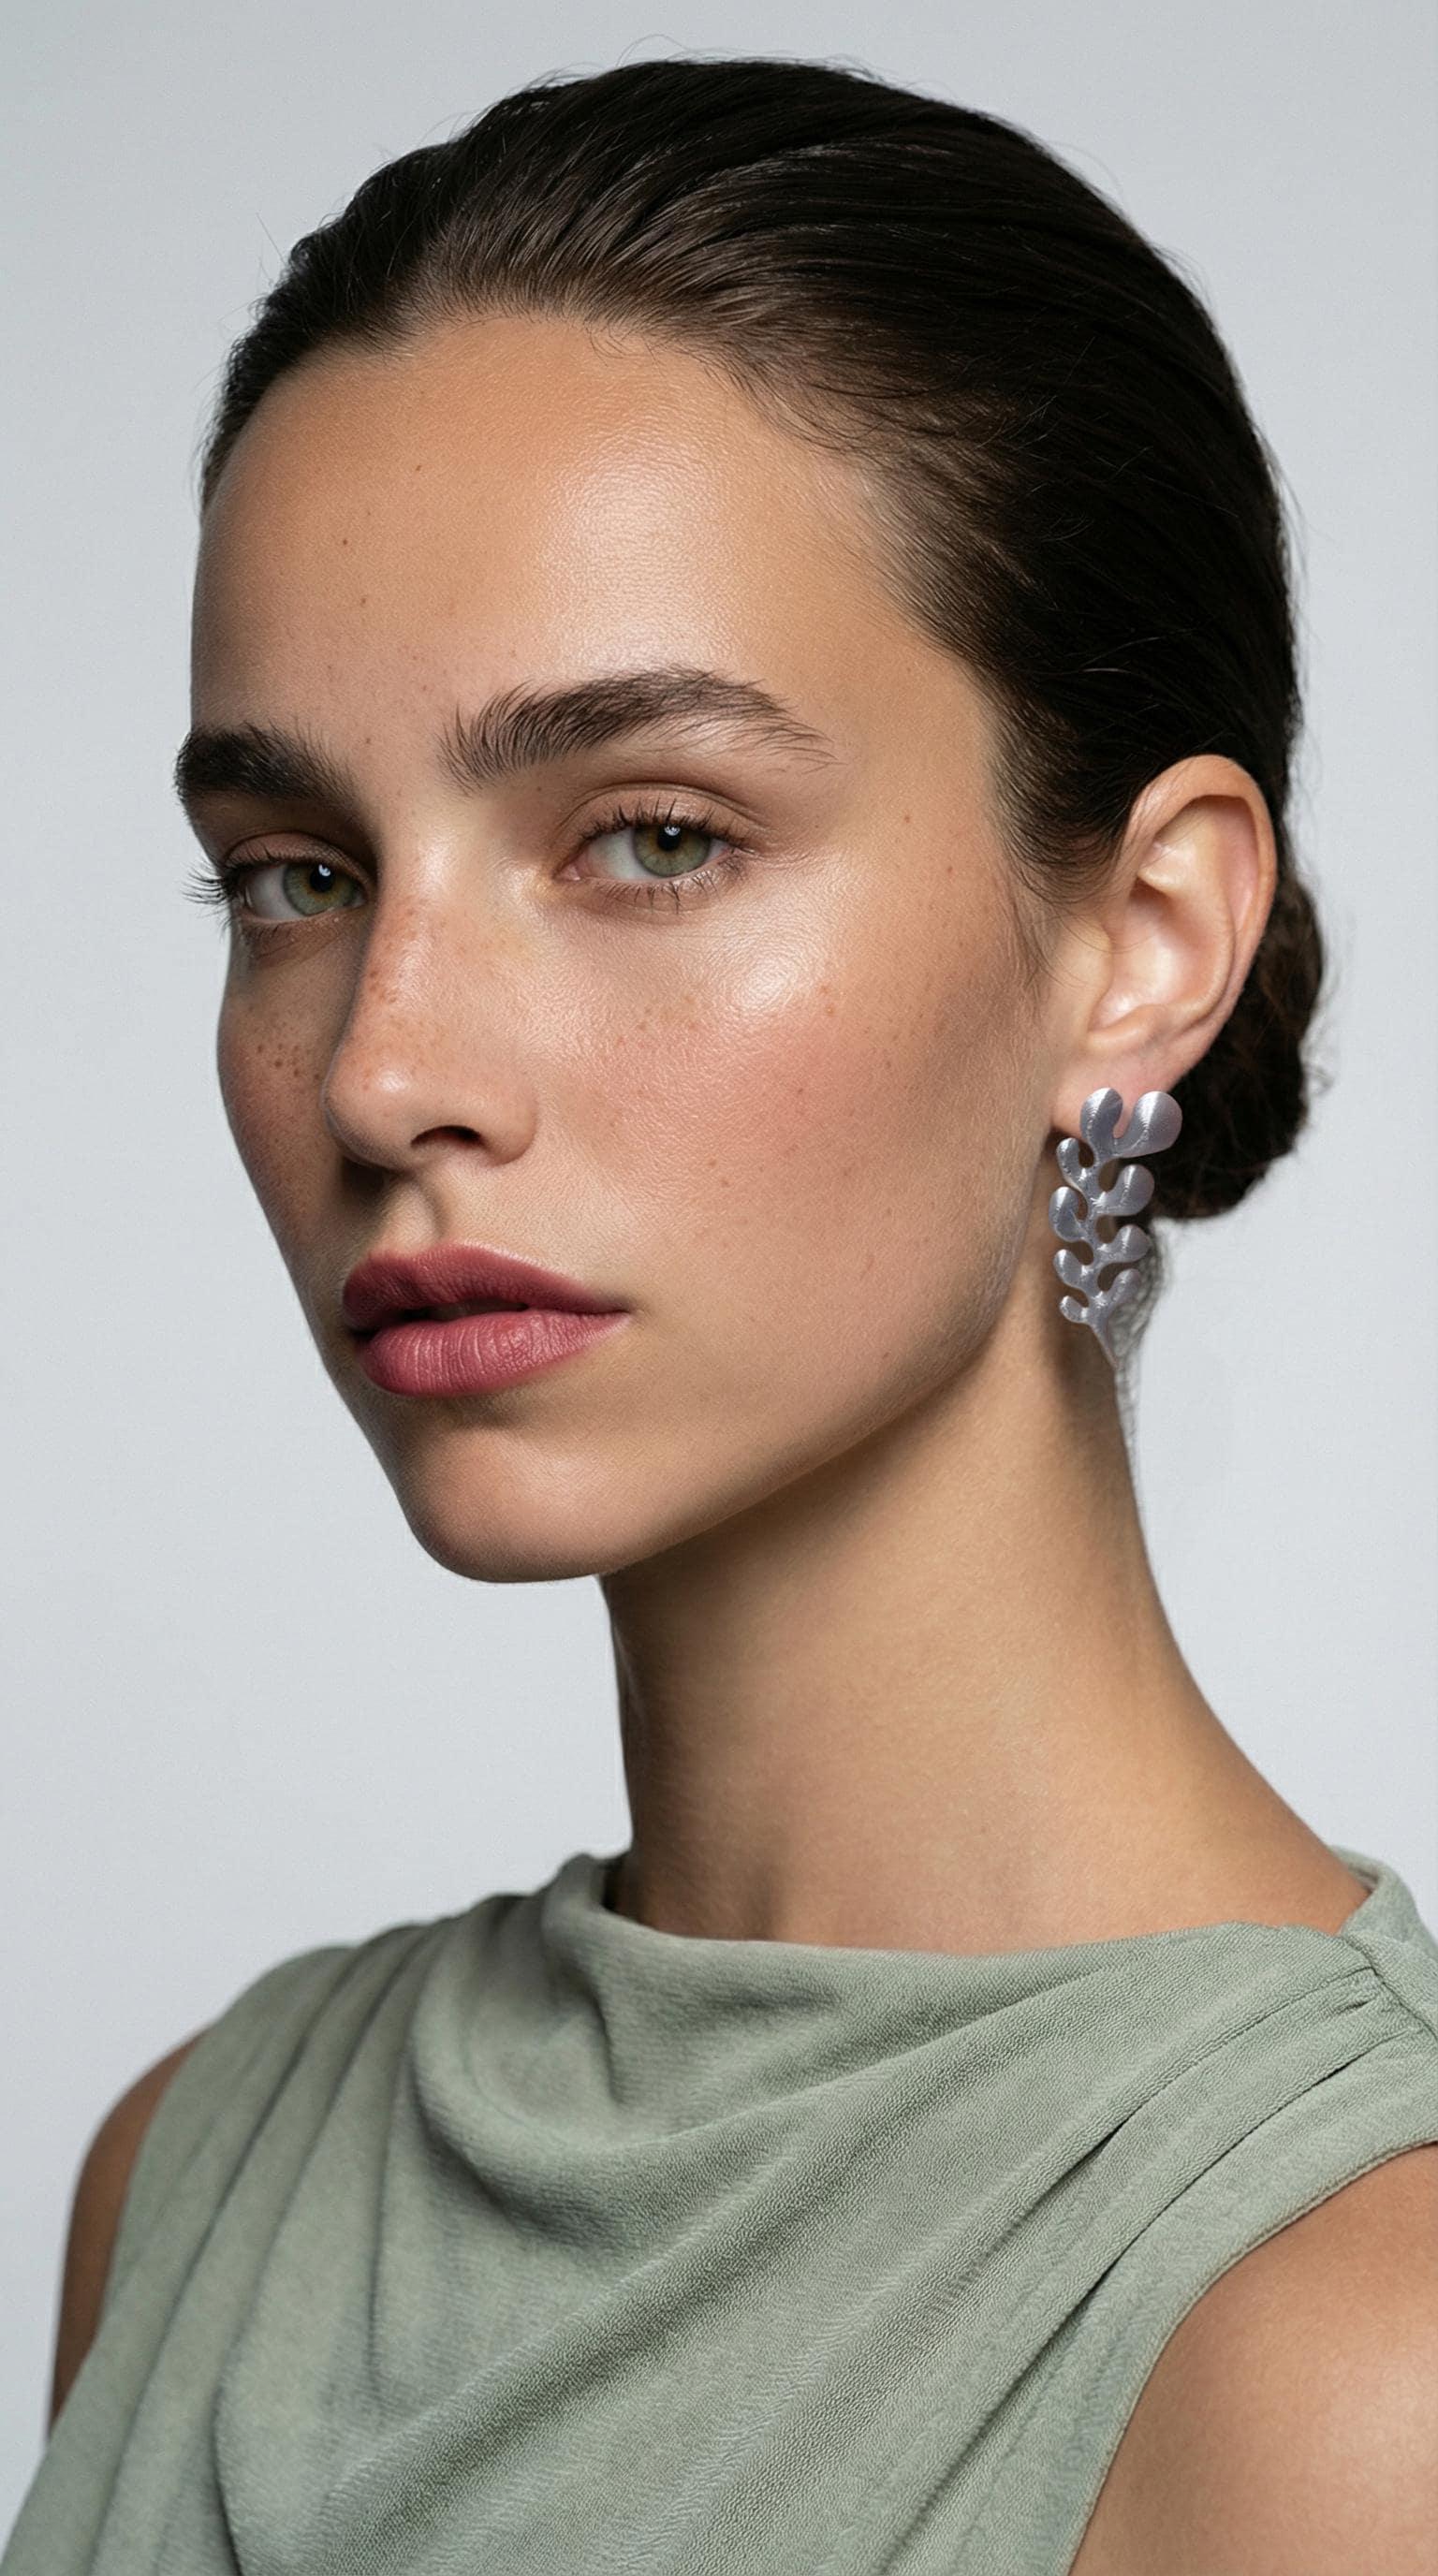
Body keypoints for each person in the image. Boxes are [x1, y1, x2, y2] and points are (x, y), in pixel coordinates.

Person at [8, 52, 1436, 2576]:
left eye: (650, 837)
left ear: (1145, 945)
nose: (387, 1065)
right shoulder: (192, 2173)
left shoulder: (1354, 2358)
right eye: (298, 872)